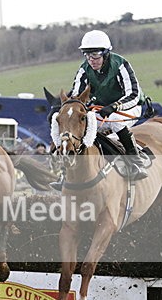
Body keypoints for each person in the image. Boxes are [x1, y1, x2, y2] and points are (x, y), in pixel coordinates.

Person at [50, 29, 149, 185]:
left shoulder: (121, 65)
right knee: (78, 124)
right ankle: (65, 172)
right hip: (101, 110)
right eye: (88, 55)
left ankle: (136, 162)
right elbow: (76, 97)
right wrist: (63, 111)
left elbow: (134, 95)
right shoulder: (84, 69)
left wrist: (115, 106)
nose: (91, 60)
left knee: (115, 120)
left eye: (95, 55)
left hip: (129, 107)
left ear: (106, 53)